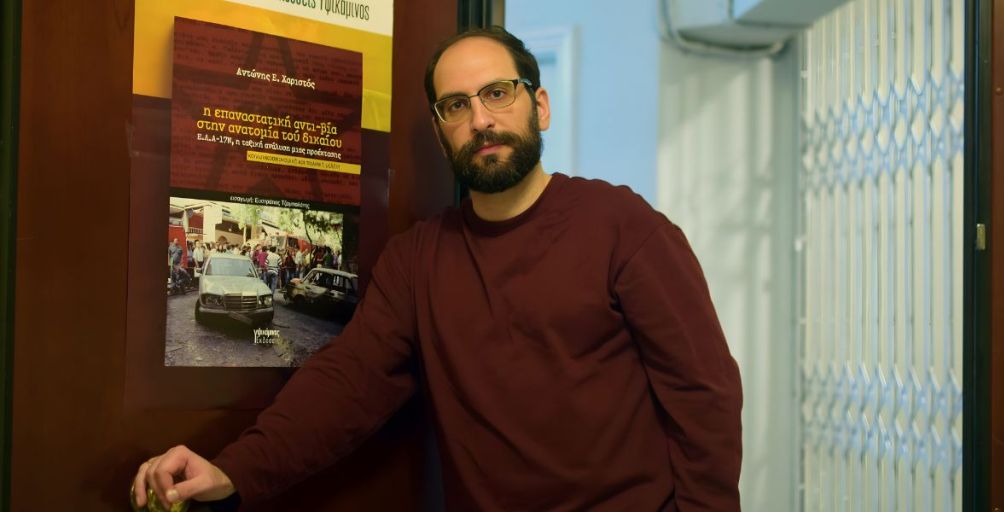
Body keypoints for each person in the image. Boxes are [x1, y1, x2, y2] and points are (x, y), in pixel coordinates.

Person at [134, 26, 742, 511]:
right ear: (440, 130)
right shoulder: (418, 259)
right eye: (456, 105)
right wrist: (233, 471)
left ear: (540, 106)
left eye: (498, 93)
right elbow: (347, 384)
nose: (480, 120)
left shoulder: (623, 227)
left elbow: (704, 395)